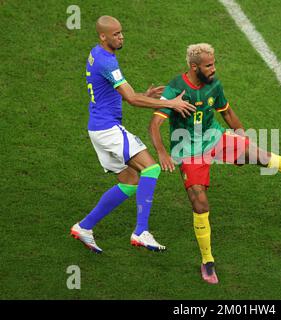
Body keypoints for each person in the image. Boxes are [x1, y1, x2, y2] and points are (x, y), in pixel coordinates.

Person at [149, 43, 281, 284]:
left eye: (214, 63)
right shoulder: (176, 88)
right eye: (208, 65)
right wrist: (161, 152)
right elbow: (155, 124)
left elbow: (228, 113)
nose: (213, 68)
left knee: (262, 156)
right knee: (199, 202)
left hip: (215, 138)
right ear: (194, 67)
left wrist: (242, 138)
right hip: (188, 151)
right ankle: (207, 261)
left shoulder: (214, 84)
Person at [70, 16, 196, 254]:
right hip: (108, 129)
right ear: (103, 36)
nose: (121, 37)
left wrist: (143, 94)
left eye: (121, 32)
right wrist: (170, 103)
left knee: (130, 182)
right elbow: (131, 99)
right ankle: (141, 231)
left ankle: (84, 227)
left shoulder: (96, 54)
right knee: (151, 168)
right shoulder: (107, 62)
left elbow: (113, 91)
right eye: (115, 34)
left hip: (97, 128)